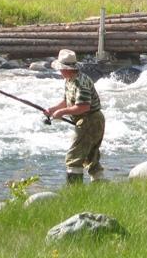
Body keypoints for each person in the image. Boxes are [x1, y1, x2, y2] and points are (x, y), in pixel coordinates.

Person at [44, 49, 106, 185]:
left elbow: (83, 107)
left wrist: (61, 113)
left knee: (74, 157)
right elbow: (67, 102)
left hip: (90, 120)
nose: (60, 71)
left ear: (67, 68)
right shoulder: (69, 80)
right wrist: (52, 110)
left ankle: (74, 190)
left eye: (61, 68)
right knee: (91, 156)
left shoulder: (80, 82)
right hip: (89, 120)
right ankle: (100, 187)